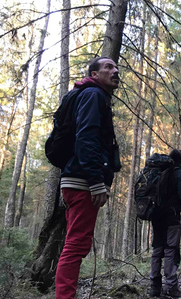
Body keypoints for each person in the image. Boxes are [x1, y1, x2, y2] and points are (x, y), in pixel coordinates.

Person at [55, 57, 121, 298]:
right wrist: (95, 182)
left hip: (76, 179)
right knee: (76, 245)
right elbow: (86, 139)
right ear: (94, 74)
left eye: (116, 68)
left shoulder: (89, 95)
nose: (115, 71)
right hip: (82, 182)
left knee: (75, 244)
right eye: (108, 67)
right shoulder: (93, 95)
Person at [149, 149, 181, 297]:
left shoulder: (159, 172)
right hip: (171, 217)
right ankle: (171, 287)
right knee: (170, 250)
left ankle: (154, 287)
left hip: (156, 217)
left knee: (157, 250)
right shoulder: (178, 173)